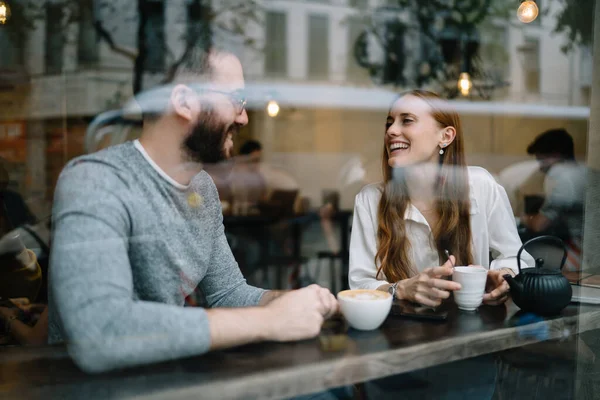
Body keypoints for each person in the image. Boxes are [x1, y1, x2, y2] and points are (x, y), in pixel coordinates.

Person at [48, 49, 338, 374]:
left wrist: (289, 304)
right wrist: (270, 321)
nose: (243, 117)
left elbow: (228, 292)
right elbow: (98, 334)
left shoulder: (202, 188)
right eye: (236, 99)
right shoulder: (94, 181)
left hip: (168, 377)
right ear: (185, 102)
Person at [348, 90, 534, 399]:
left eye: (407, 120)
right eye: (389, 122)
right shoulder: (370, 199)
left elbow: (516, 258)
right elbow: (359, 286)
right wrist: (402, 289)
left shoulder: (480, 185)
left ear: (445, 136)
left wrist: (503, 277)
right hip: (394, 361)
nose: (392, 130)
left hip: (469, 357)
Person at [520, 128, 587, 271]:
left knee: (521, 256)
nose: (541, 168)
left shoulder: (563, 179)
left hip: (579, 253)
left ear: (556, 155)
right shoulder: (584, 172)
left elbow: (539, 225)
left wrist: (523, 218)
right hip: (588, 249)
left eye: (541, 160)